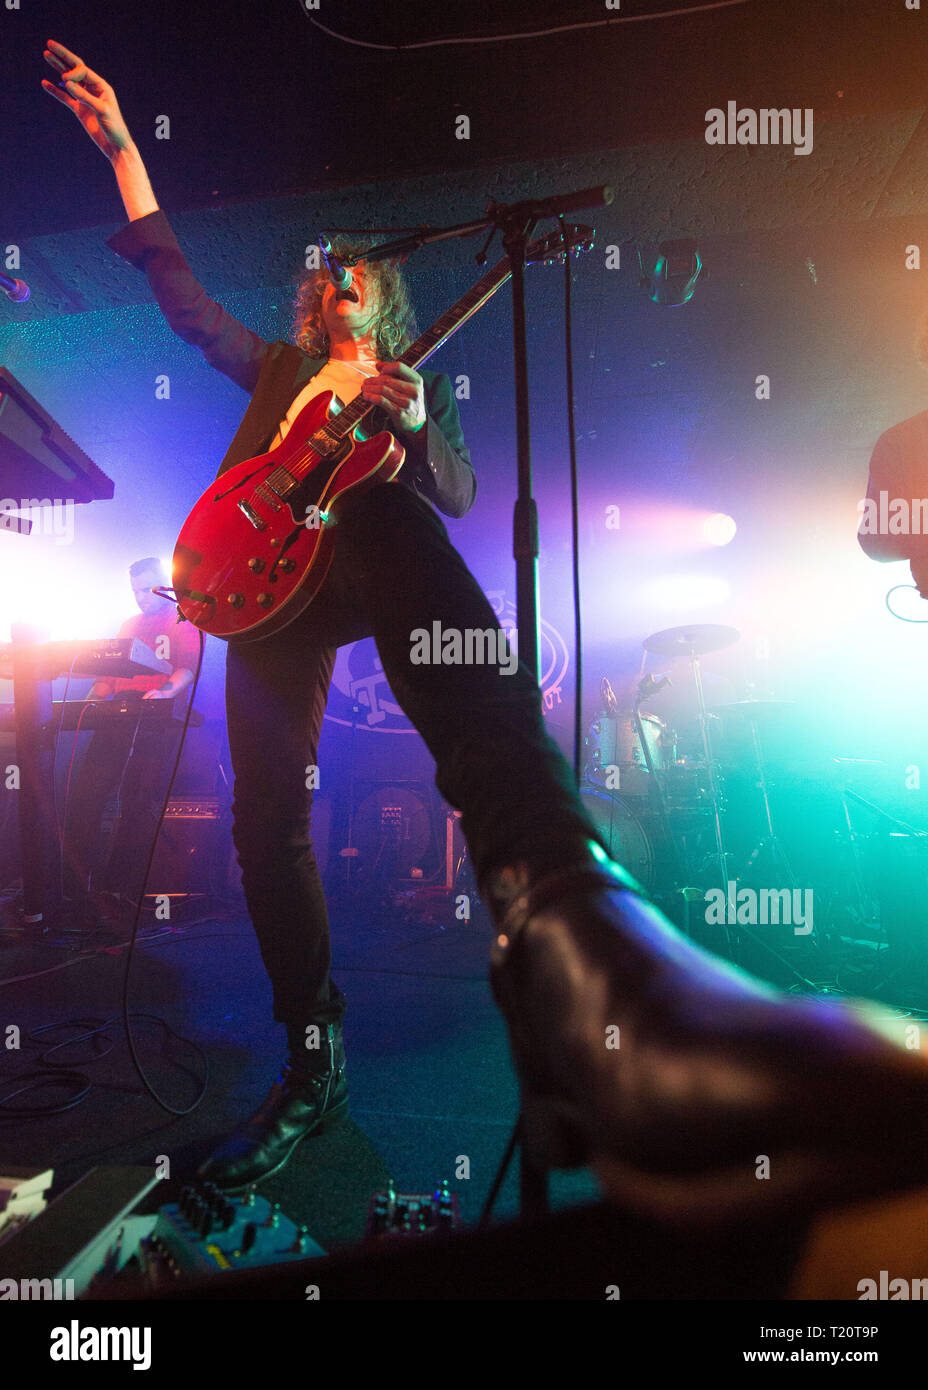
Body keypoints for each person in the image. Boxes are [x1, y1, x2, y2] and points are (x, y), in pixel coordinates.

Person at [42, 42, 928, 1231]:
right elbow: (188, 306)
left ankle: (562, 892)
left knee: (388, 498)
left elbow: (459, 495)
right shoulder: (285, 370)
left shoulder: (416, 383)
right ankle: (315, 1057)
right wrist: (127, 159)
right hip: (261, 588)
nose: (340, 287)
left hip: (369, 557)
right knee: (266, 827)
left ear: (386, 303)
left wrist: (409, 430)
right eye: (328, 280)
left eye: (357, 280)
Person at [63, 556, 198, 917]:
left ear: (165, 585)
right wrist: (90, 704)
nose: (140, 597)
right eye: (134, 590)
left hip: (154, 714)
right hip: (116, 714)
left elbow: (186, 667)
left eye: (146, 589)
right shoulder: (128, 624)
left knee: (137, 801)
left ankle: (119, 890)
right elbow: (106, 677)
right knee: (86, 796)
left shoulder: (182, 619)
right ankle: (72, 889)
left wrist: (165, 693)